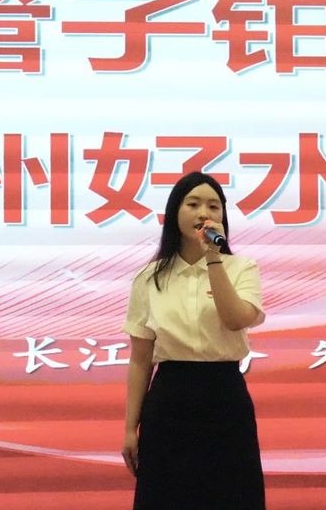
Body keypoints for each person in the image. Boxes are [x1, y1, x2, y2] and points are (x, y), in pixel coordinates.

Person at [121, 171, 267, 509]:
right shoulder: (149, 277)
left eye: (214, 207)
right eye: (193, 204)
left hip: (225, 395)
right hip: (170, 398)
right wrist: (130, 428)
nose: (204, 213)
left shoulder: (242, 268)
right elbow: (140, 359)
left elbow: (235, 319)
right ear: (175, 212)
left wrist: (213, 256)